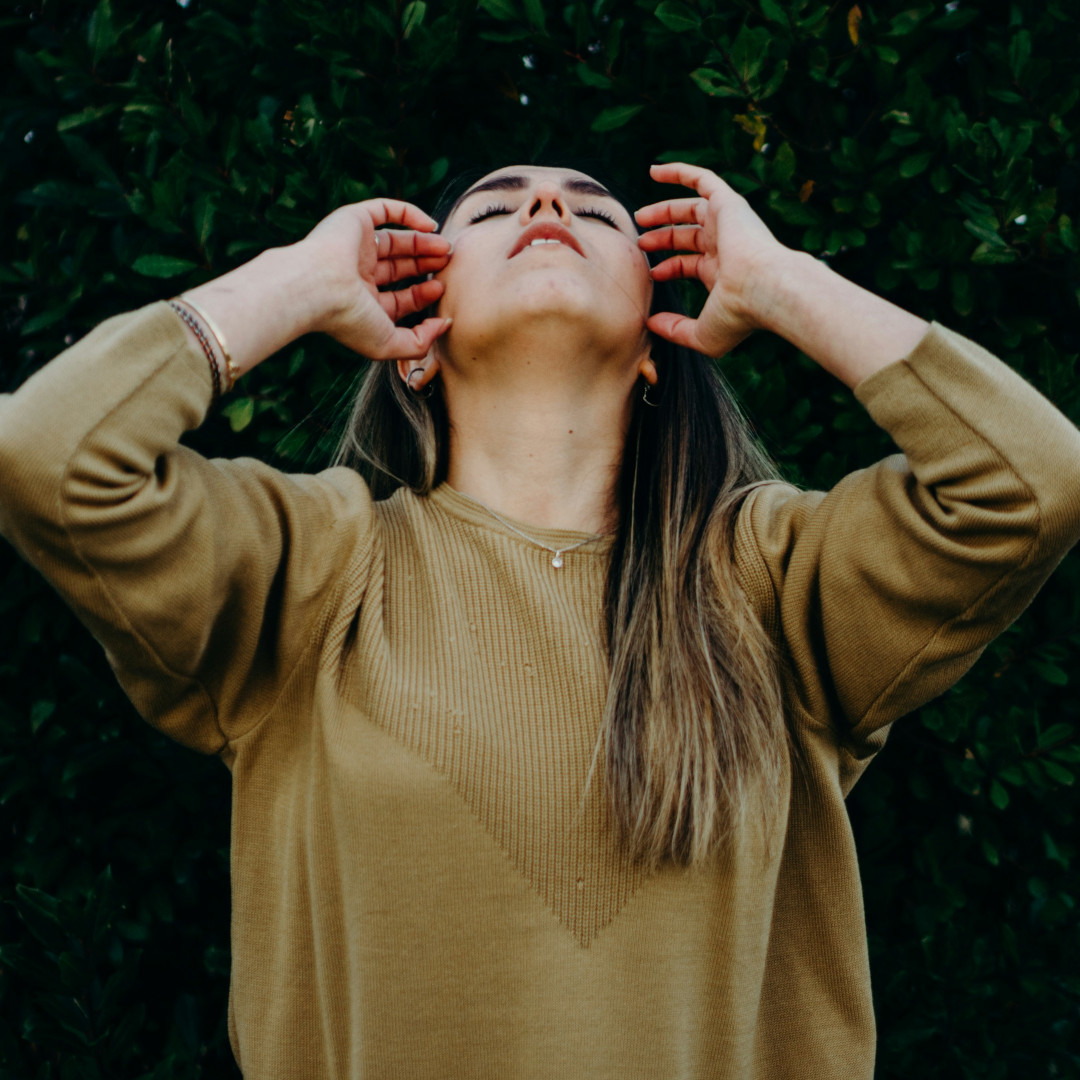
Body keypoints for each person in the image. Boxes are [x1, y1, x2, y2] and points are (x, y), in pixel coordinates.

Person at [1, 161, 1078, 1079]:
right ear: (413, 331)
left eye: (600, 211)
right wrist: (295, 281)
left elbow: (1032, 483)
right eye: (493, 207)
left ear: (662, 342)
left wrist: (787, 284)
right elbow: (49, 459)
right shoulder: (312, 571)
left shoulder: (773, 581)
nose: (549, 210)